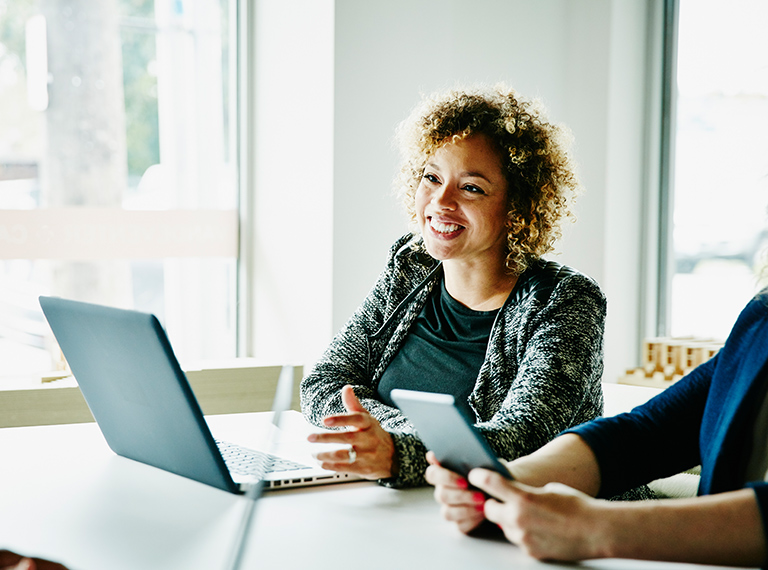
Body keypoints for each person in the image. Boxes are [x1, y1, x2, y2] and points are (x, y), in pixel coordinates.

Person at [300, 84, 609, 489]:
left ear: (519, 207)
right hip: (421, 510)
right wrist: (397, 436)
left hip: (548, 526)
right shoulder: (409, 267)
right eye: (431, 177)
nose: (440, 201)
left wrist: (397, 449)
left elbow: (520, 441)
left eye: (471, 187)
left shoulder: (566, 301)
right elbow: (323, 380)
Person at [427, 289, 768, 567]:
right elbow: (646, 433)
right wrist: (508, 480)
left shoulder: (562, 296)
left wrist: (595, 527)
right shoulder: (762, 318)